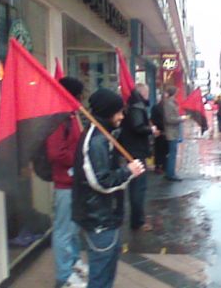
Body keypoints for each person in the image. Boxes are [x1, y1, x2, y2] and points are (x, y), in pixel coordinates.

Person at [72, 88, 145, 288]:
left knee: (105, 275)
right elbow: (101, 181)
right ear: (107, 112)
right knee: (100, 278)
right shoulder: (97, 140)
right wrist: (128, 171)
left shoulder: (102, 135)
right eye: (119, 112)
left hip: (105, 216)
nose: (122, 116)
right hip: (100, 219)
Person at [47, 77, 88, 288]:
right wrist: (79, 161)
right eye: (79, 94)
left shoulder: (70, 116)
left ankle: (74, 263)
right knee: (63, 231)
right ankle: (64, 277)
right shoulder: (58, 120)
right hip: (64, 184)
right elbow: (56, 153)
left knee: (72, 229)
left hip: (73, 182)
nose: (81, 99)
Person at [118, 83, 158, 232]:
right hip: (136, 152)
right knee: (138, 188)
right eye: (147, 93)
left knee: (138, 187)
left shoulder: (134, 106)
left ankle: (138, 219)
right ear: (143, 93)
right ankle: (138, 222)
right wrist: (151, 129)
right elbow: (138, 127)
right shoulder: (137, 108)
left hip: (133, 150)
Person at [163, 86, 187, 182]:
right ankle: (171, 174)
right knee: (172, 153)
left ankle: (170, 172)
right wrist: (181, 119)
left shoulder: (171, 103)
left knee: (172, 153)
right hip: (171, 132)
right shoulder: (169, 104)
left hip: (173, 132)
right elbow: (169, 119)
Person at [150, 94, 168, 175]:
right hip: (159, 131)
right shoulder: (156, 108)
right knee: (158, 150)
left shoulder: (167, 107)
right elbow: (154, 119)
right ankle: (158, 166)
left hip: (166, 131)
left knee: (165, 150)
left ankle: (164, 165)